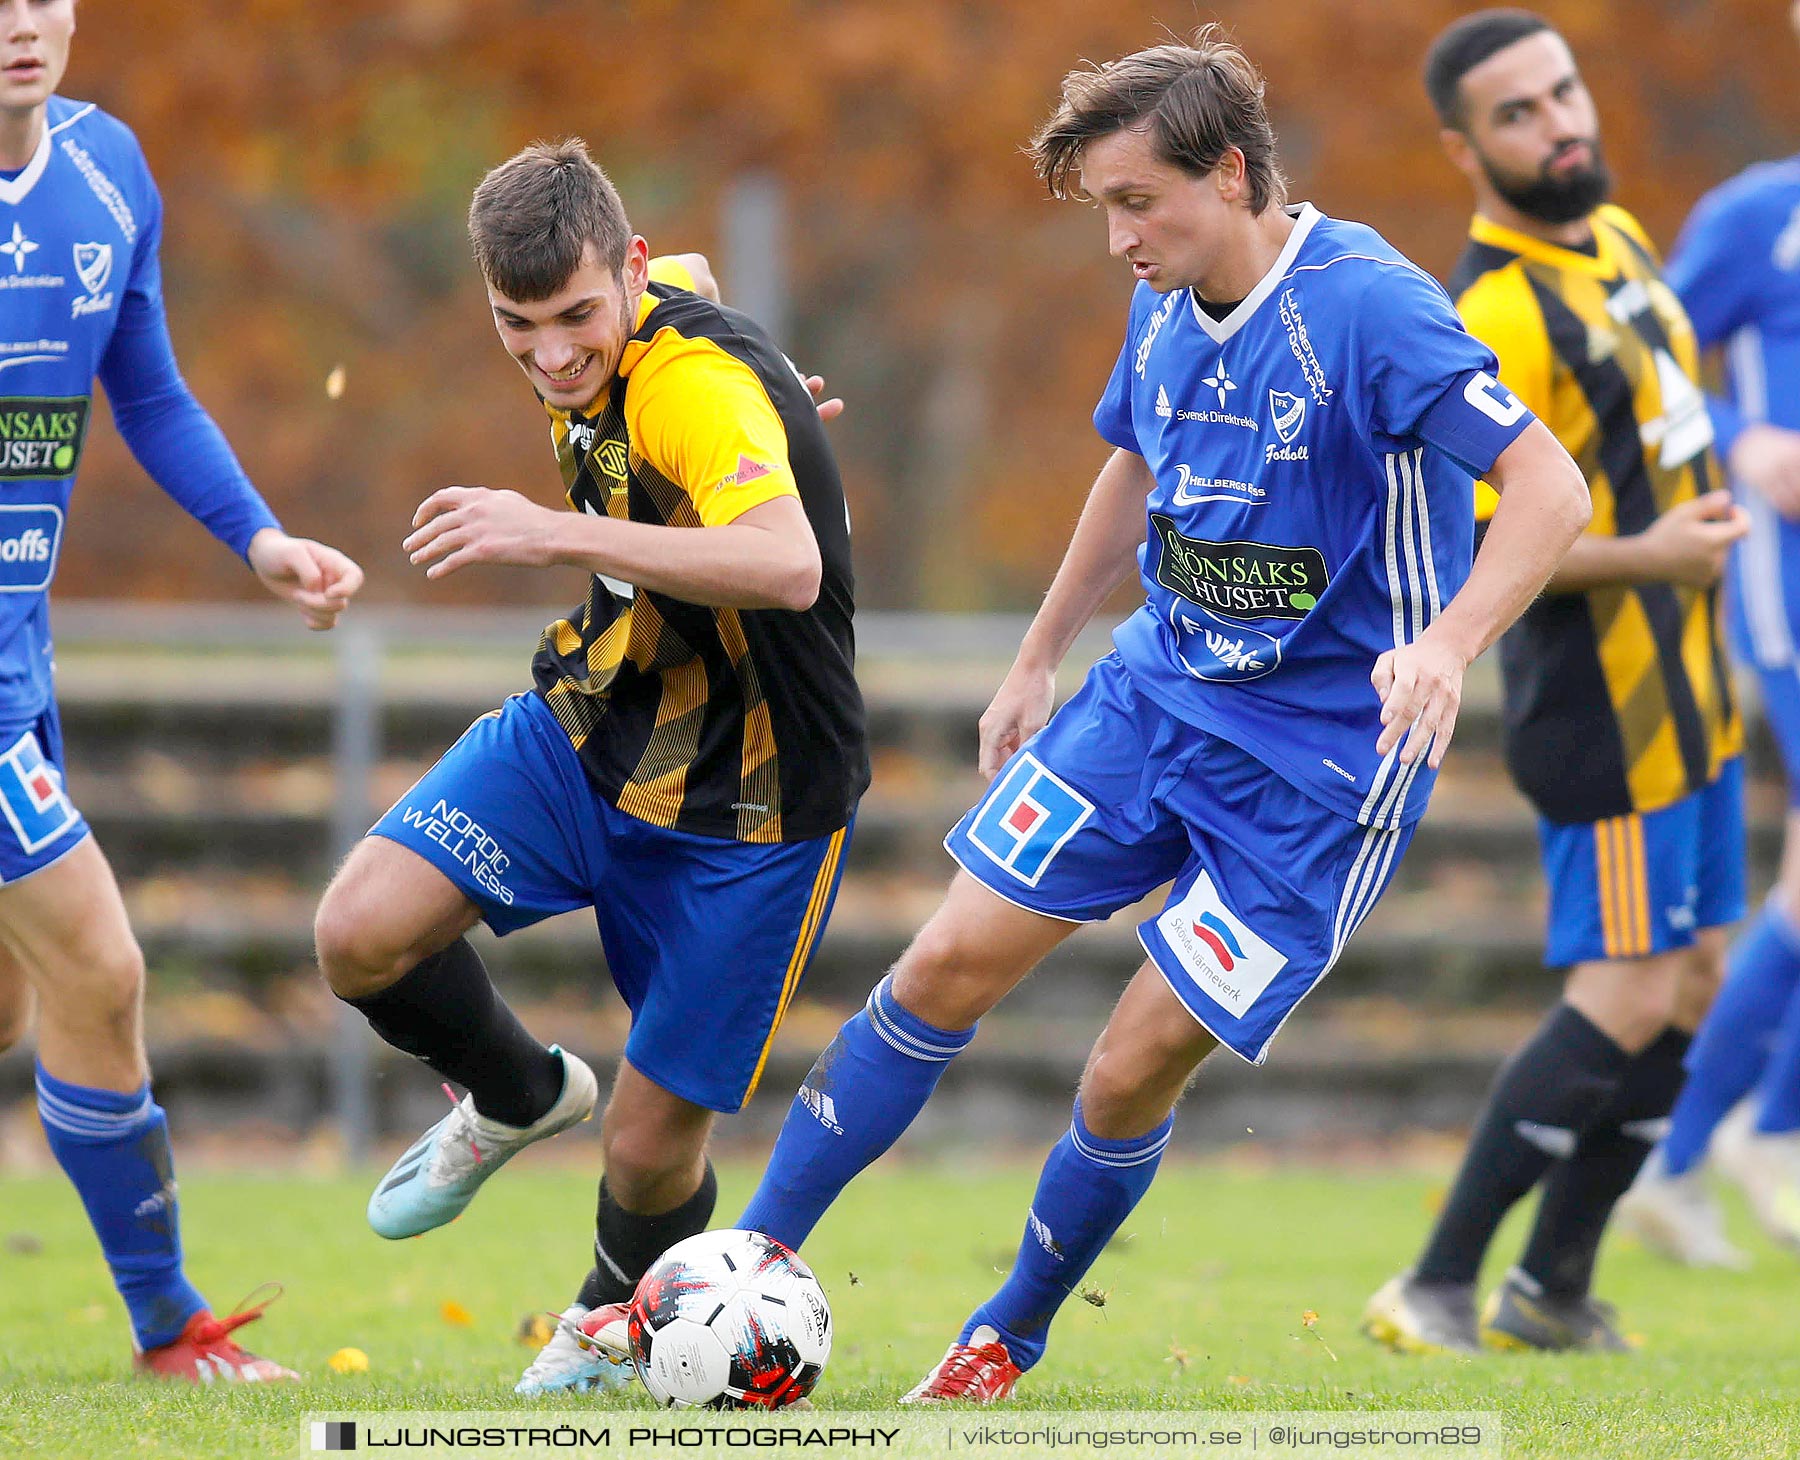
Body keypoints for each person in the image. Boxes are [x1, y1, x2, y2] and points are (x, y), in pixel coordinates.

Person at [618, 29, 1587, 1404]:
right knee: (946, 961)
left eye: (1138, 202)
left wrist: (1447, 642)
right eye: (1106, 209)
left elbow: (1553, 490)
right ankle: (742, 1267)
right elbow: (1131, 462)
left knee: (1130, 1066)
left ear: (1233, 174)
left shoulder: (1374, 309)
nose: (1118, 236)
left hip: (1319, 774)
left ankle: (1006, 1332)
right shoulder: (1166, 293)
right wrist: (1037, 656)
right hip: (1152, 699)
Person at [309, 138, 868, 1395]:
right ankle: (512, 1093)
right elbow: (708, 285)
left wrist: (551, 522)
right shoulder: (650, 295)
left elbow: (789, 565)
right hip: (593, 720)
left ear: (625, 270)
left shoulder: (687, 382)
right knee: (360, 933)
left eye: (575, 319)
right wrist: (774, 411)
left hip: (758, 799)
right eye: (518, 328)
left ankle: (610, 1326)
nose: (553, 356)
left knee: (650, 1149)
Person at [1363, 9, 1747, 1356]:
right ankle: (1435, 1285)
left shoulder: (1626, 244)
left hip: (1699, 699)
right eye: (1518, 114)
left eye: (1562, 92)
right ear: (1464, 150)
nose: (1559, 124)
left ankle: (1554, 1291)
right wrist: (1652, 552)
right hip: (1606, 716)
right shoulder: (1492, 315)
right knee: (1631, 991)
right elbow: (1474, 542)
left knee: (1693, 983)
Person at [0, 0, 364, 1381]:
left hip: (19, 660)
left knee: (14, 1008)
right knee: (99, 966)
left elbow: (145, 392)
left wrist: (259, 537)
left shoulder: (107, 174)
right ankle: (171, 1327)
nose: (18, 23)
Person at [1613, 0, 1800, 1267]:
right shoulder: (1757, 215)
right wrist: (1745, 443)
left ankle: (1715, 1143)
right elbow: (1645, 363)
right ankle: (1711, 1140)